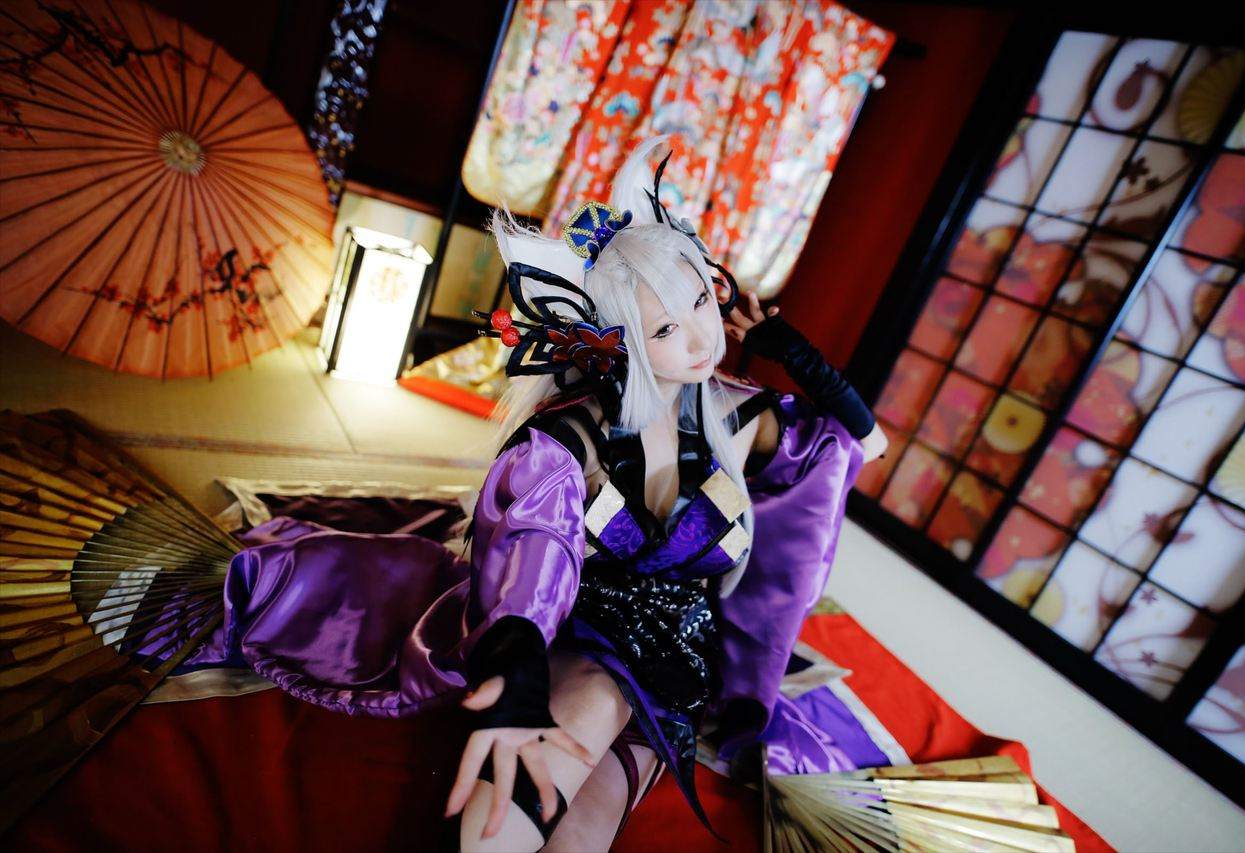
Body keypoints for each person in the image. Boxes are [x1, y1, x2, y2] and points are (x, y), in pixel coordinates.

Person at [181, 135, 888, 852]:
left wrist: (792, 350)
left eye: (702, 299)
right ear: (620, 340)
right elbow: (529, 554)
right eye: (666, 327)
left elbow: (861, 444)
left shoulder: (740, 416)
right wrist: (516, 667)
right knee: (546, 770)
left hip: (680, 670)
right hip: (579, 636)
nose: (702, 338)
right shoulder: (572, 439)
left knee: (586, 830)